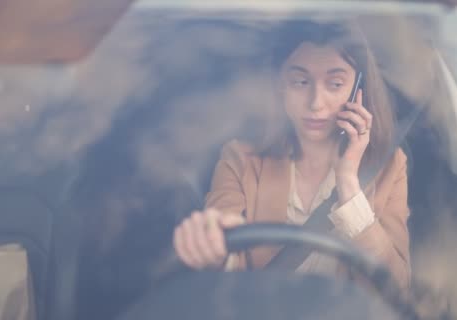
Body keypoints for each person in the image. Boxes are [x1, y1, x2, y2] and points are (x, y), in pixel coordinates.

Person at [172, 20, 410, 288]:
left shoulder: (389, 165)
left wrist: (348, 183)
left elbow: (395, 285)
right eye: (300, 81)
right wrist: (211, 247)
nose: (316, 103)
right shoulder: (239, 158)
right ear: (280, 85)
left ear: (358, 90)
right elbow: (221, 256)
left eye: (335, 84)